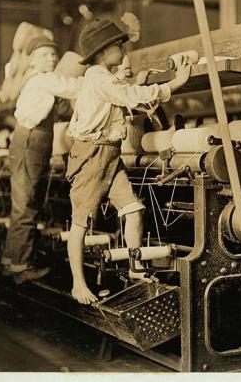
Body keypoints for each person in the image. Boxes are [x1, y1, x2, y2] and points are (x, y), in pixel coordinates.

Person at [65, 18, 191, 304]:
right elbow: (132, 96)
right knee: (81, 223)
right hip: (91, 155)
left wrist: (143, 83)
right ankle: (77, 284)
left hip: (110, 153)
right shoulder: (99, 77)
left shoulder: (104, 78)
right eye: (118, 45)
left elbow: (129, 94)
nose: (123, 50)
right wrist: (176, 83)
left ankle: (135, 267)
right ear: (101, 52)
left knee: (133, 209)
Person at [2, 35, 83, 284]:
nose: (52, 58)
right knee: (26, 204)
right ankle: (22, 268)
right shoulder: (44, 79)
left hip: (29, 141)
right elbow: (75, 87)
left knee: (24, 203)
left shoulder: (37, 80)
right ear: (32, 60)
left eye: (53, 54)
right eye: (45, 54)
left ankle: (12, 260)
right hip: (31, 143)